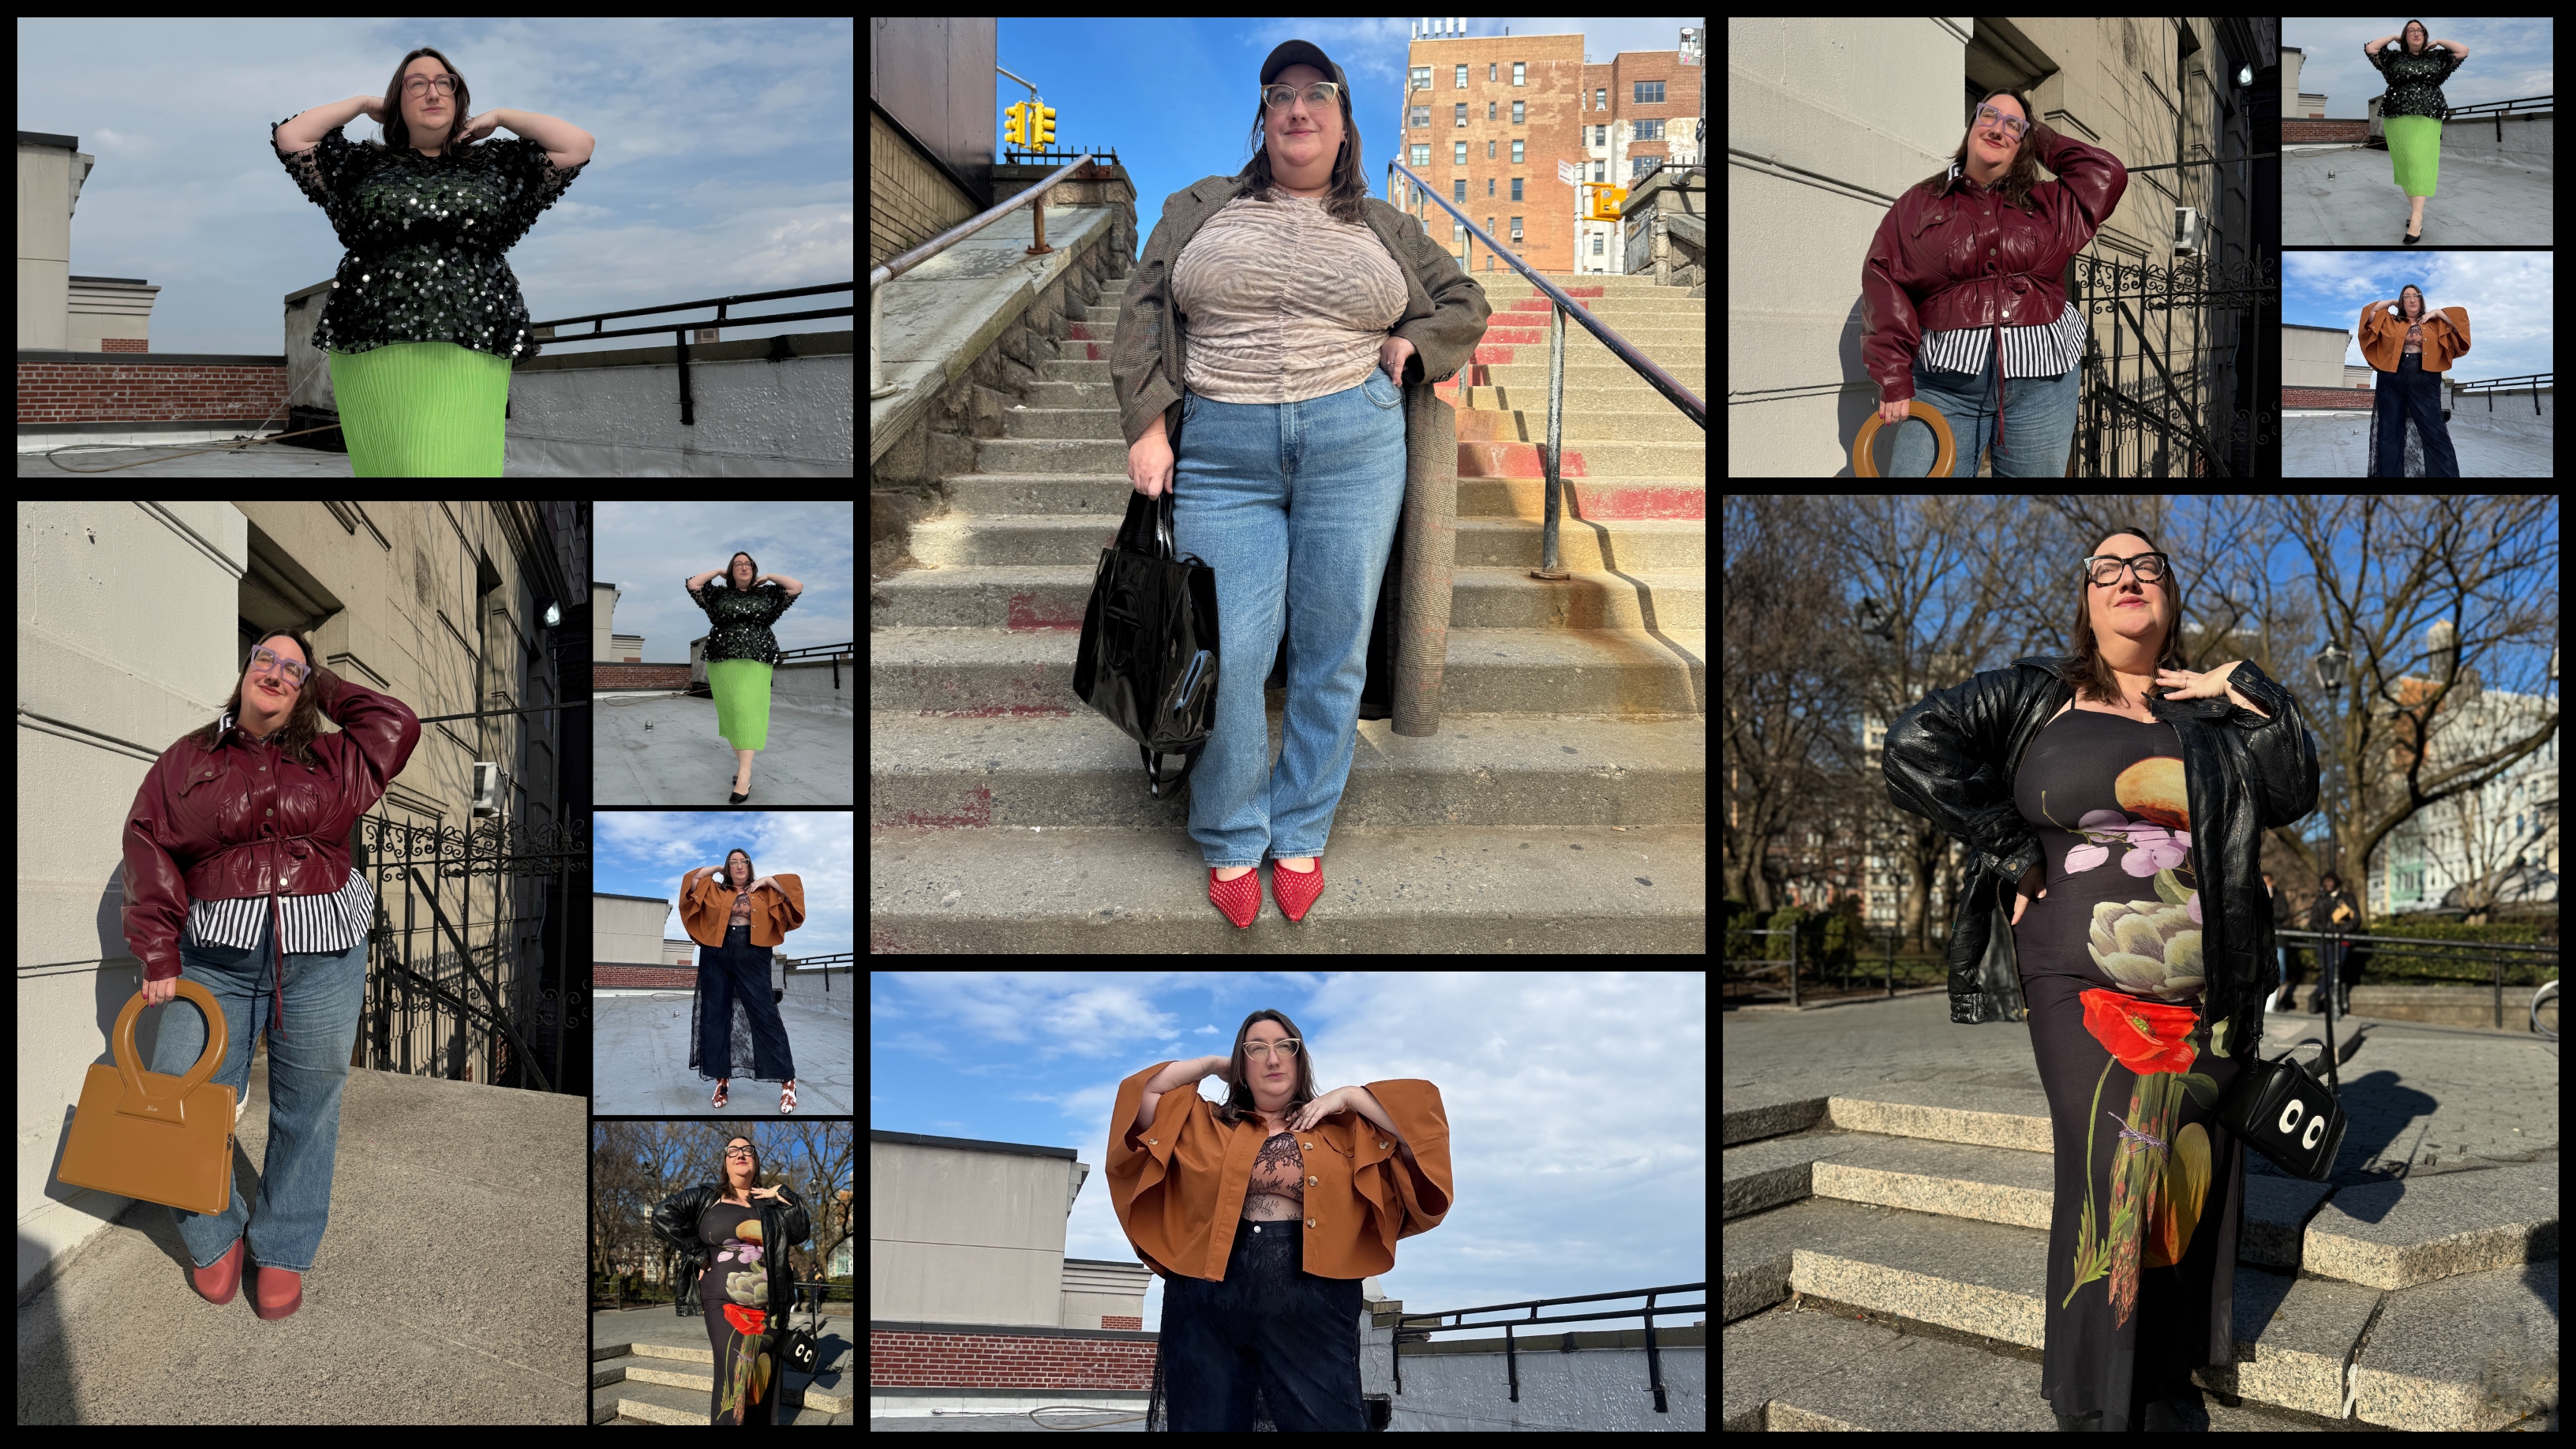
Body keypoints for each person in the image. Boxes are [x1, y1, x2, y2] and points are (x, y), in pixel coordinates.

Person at [1880, 530, 2321, 1431]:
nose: (2128, 579)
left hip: (2208, 994)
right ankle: (2095, 1409)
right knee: (2113, 1156)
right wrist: (2007, 846)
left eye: (2147, 567)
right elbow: (1911, 744)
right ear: (2086, 599)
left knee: (2183, 1177)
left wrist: (2251, 691)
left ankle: (2161, 1377)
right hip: (2077, 976)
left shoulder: (2209, 718)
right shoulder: (2037, 696)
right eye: (2107, 569)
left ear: (2169, 597)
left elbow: (2297, 786)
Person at [1109, 39, 1493, 929]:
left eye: (1318, 94)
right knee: (1228, 653)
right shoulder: (1199, 207)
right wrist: (1147, 424)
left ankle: (1302, 829)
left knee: (1333, 651)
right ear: (1264, 118)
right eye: (1280, 95)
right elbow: (1141, 312)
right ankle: (1233, 835)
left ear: (1343, 120)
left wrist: (1414, 345)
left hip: (1352, 442)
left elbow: (1464, 300)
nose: (1298, 109)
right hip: (1221, 446)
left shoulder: (1385, 225)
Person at [120, 631, 423, 1320]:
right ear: (244, 669)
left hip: (322, 954)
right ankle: (212, 1229)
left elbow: (396, 723)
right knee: (177, 1096)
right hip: (215, 959)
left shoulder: (335, 755)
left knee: (309, 1106)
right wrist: (158, 951)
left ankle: (284, 1244)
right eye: (268, 660)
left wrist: (321, 685)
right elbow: (147, 843)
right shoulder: (187, 758)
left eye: (295, 668)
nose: (279, 674)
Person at [1108, 1010, 1451, 1431]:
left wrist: (1348, 1097)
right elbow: (1139, 1095)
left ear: (1300, 1057)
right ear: (1242, 1064)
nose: (1272, 1059)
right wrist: (1214, 1065)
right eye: (1256, 1049)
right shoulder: (1203, 1122)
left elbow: (1420, 1133)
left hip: (1313, 1300)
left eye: (1284, 1046)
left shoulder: (1345, 1129)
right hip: (1204, 1300)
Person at [269, 47, 593, 475]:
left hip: (473, 339)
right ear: (397, 101)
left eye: (446, 83)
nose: (433, 92)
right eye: (416, 84)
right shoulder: (362, 164)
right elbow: (293, 137)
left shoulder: (496, 164)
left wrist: (499, 117)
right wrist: (367, 104)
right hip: (373, 339)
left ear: (459, 98)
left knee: (460, 462)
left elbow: (577, 144)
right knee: (395, 463)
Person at [1862, 90, 2128, 477]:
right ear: (1972, 124)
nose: (1999, 129)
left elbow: (2109, 174)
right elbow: (1883, 279)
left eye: (2013, 125)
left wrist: (2037, 136)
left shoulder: (2050, 202)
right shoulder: (1920, 202)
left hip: (2043, 382)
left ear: (2024, 144)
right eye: (1989, 115)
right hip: (1943, 384)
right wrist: (1892, 375)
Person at [650, 1137, 811, 1425]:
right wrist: (698, 1253)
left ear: (756, 1160)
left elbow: (800, 1231)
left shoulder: (770, 1204)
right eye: (733, 1151)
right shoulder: (707, 1197)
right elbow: (662, 1214)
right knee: (736, 1370)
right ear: (725, 1162)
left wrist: (783, 1192)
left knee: (761, 1382)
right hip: (722, 1301)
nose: (741, 1154)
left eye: (747, 1150)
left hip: (770, 1307)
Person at [680, 852, 806, 1113]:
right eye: (733, 862)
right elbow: (690, 882)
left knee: (765, 1015)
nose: (739, 866)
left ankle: (788, 1081)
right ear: (728, 868)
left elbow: (793, 888)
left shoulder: (764, 892)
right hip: (715, 954)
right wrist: (715, 868)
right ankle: (721, 1079)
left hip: (753, 954)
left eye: (743, 861)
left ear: (750, 866)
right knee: (715, 1016)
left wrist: (769, 880)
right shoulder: (714, 889)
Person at [683, 552, 806, 802]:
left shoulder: (769, 594)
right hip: (721, 660)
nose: (743, 567)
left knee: (747, 711)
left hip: (757, 658)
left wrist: (769, 577)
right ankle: (742, 768)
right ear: (732, 571)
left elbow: (796, 587)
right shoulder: (717, 594)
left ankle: (744, 777)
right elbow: (693, 584)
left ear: (754, 569)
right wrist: (718, 571)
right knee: (731, 713)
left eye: (747, 564)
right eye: (737, 564)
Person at [2361, 24, 2469, 243]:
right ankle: (2414, 213)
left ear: (2425, 35)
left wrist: (2438, 41)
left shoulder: (2439, 57)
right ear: (2405, 36)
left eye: (2420, 30)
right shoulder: (2392, 58)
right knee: (2405, 163)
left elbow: (2462, 51)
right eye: (2410, 30)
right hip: (2396, 115)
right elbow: (2371, 49)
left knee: (2419, 162)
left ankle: (2417, 219)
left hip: (2427, 114)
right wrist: (2393, 37)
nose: (2416, 33)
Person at [2357, 288, 2468, 477]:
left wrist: (2437, 312)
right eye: (2406, 297)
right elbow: (2369, 313)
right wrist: (2392, 302)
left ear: (2421, 299)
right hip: (2391, 378)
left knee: (2435, 431)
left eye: (2415, 296)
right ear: (2402, 302)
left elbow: (2460, 324)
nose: (2411, 300)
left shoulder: (2435, 322)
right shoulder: (2390, 321)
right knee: (2389, 433)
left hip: (2424, 378)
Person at [2306, 872, 2361, 1015]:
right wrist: (2326, 930)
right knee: (2328, 968)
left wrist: (2341, 931)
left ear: (2336, 882)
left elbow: (2356, 919)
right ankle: (2328, 1003)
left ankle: (2317, 994)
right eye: (2325, 881)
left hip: (2342, 939)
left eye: (2330, 881)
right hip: (2325, 940)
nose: (2328, 884)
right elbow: (2313, 922)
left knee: (2337, 967)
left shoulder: (2347, 898)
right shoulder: (2321, 899)